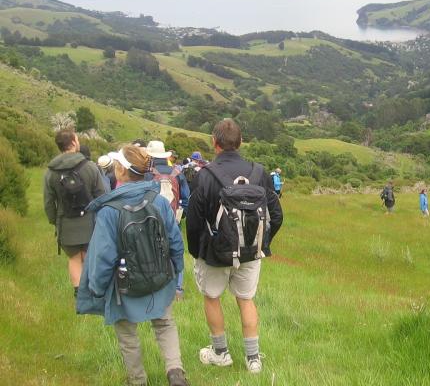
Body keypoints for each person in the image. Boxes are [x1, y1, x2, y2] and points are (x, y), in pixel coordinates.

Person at [76, 145, 189, 386]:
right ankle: (175, 372)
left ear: (119, 170)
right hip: (161, 278)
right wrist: (175, 270)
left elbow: (102, 257)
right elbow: (175, 241)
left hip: (124, 286)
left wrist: (97, 287)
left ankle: (137, 380)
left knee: (127, 334)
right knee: (165, 323)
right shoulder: (158, 201)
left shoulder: (108, 211)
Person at [187, 119, 283, 374]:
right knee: (246, 299)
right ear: (240, 142)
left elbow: (194, 221)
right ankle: (253, 360)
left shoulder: (204, 175)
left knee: (212, 297)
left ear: (214, 142)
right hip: (251, 251)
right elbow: (277, 214)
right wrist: (263, 243)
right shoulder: (259, 173)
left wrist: (197, 252)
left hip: (215, 253)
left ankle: (220, 353)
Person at [43, 129, 106, 297]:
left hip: (65, 222)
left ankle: (79, 294)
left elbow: (49, 203)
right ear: (72, 143)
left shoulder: (50, 171)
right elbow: (102, 195)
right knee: (87, 256)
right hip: (89, 221)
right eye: (77, 139)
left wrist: (54, 221)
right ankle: (91, 291)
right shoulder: (90, 166)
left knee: (74, 258)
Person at [146, 140, 190, 299]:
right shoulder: (178, 173)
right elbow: (186, 198)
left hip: (150, 219)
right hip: (173, 219)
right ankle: (177, 288)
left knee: (152, 251)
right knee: (176, 250)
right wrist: (179, 216)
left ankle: (155, 286)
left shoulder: (147, 173)